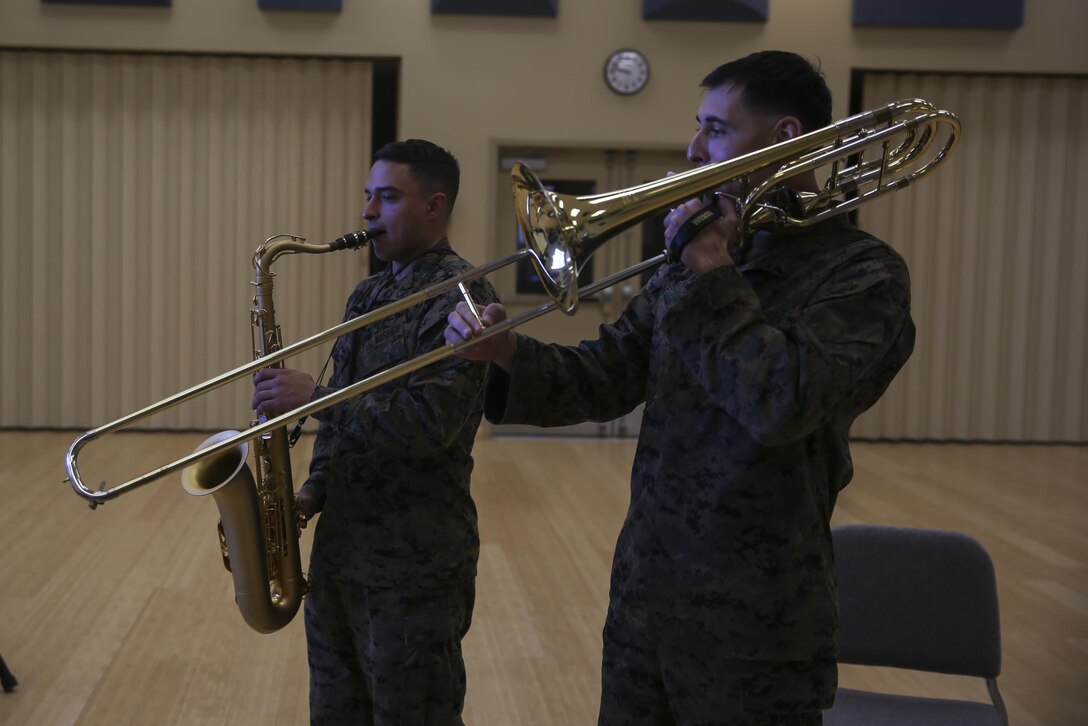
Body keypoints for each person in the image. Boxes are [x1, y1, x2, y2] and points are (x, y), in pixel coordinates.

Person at [445, 51, 916, 724]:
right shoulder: (699, 257)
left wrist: (711, 271)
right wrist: (509, 352)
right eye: (697, 127)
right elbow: (608, 376)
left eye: (716, 129)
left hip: (757, 627)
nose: (692, 149)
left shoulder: (862, 274)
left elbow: (781, 402)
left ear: (785, 137)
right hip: (647, 601)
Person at [252, 138, 498, 725]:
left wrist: (315, 397)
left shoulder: (462, 297)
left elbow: (430, 425)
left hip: (416, 565)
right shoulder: (369, 293)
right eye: (368, 196)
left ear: (435, 206)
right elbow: (338, 432)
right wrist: (311, 493)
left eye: (387, 197)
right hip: (343, 553)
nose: (366, 213)